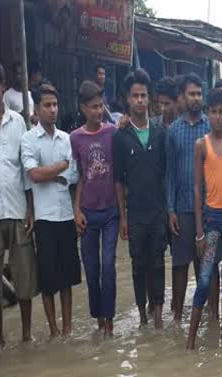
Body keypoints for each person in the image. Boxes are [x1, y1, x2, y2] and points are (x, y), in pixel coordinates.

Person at [0, 58, 37, 348]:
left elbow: (25, 168)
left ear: (3, 87)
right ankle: (0, 341)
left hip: (16, 208)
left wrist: (30, 207)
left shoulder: (18, 122)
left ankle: (26, 336)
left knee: (24, 274)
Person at [187, 88, 222, 350]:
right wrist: (199, 230)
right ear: (208, 114)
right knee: (205, 277)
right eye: (214, 112)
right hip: (211, 219)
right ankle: (190, 340)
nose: (219, 117)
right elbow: (197, 188)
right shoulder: (202, 145)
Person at [22, 82, 80, 338]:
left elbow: (74, 175)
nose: (53, 110)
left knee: (67, 278)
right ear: (37, 108)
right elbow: (34, 174)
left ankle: (67, 328)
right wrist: (60, 168)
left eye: (55, 105)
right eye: (47, 105)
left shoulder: (67, 138)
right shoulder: (28, 139)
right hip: (44, 218)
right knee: (48, 280)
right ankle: (54, 330)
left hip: (66, 214)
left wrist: (53, 173)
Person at [113, 69, 168, 329]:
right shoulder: (120, 136)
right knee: (138, 265)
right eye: (134, 96)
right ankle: (142, 316)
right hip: (134, 213)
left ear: (150, 98)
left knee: (158, 262)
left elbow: (166, 174)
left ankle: (158, 314)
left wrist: (169, 211)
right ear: (127, 99)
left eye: (143, 95)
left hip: (158, 211)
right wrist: (123, 217)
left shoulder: (159, 133)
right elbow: (118, 180)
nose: (139, 101)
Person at [71, 80, 119, 337]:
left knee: (109, 264)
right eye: (93, 107)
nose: (98, 111)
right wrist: (76, 210)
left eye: (101, 106)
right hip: (88, 212)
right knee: (91, 268)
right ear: (82, 108)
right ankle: (98, 318)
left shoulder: (112, 132)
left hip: (111, 211)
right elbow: (79, 177)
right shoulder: (75, 138)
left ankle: (109, 320)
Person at [166, 73, 213, 323]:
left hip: (209, 208)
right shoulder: (173, 131)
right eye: (191, 94)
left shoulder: (210, 127)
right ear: (182, 97)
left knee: (208, 267)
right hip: (182, 209)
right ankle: (176, 317)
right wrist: (170, 209)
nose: (196, 98)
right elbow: (170, 174)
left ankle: (212, 316)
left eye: (199, 94)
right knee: (180, 265)